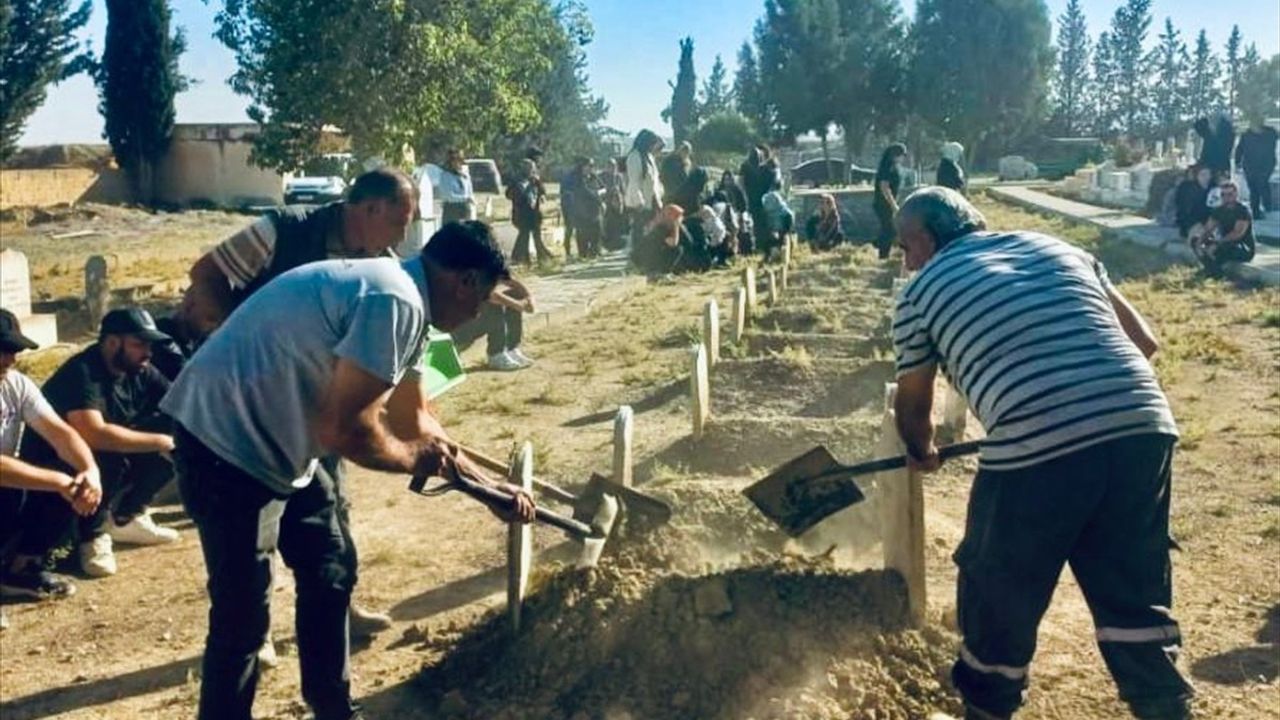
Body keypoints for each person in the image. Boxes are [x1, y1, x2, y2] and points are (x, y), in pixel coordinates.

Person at [162, 221, 537, 720]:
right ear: (463, 281)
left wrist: (488, 490)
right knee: (243, 615)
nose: (478, 313)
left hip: (284, 443)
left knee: (331, 568)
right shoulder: (394, 301)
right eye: (483, 297)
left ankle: (333, 708)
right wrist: (411, 460)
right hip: (224, 442)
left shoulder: (406, 298)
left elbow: (415, 420)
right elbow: (349, 432)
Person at [892, 187, 1192, 720]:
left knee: (996, 582)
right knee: (1132, 585)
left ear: (924, 239)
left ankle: (987, 707)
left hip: (1036, 445)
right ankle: (1164, 706)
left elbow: (914, 405)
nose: (905, 259)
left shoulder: (920, 291)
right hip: (1142, 424)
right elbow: (1144, 343)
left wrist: (923, 450)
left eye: (904, 247)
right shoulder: (1060, 248)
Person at [181, 167, 418, 639]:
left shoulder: (381, 264)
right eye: (400, 220)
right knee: (248, 523)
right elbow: (206, 273)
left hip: (314, 402)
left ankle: (337, 605)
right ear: (370, 209)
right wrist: (231, 333)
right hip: (246, 398)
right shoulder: (282, 231)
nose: (403, 234)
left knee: (331, 505)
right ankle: (255, 629)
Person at [19, 308, 177, 579]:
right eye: (139, 344)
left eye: (149, 346)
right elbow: (92, 433)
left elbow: (181, 400)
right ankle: (92, 536)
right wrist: (163, 441)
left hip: (98, 461)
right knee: (109, 453)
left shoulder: (140, 369)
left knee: (181, 430)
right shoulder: (83, 372)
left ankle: (127, 517)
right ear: (113, 342)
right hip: (56, 468)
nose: (147, 353)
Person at [0, 310, 102, 611]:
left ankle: (21, 568)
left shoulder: (15, 384)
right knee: (45, 481)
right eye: (3, 351)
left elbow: (60, 433)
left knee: (71, 474)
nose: (11, 359)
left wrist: (89, 471)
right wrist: (58, 481)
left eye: (14, 351)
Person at [451, 265, 537, 372]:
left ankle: (511, 348)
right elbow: (489, 294)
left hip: (468, 321)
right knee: (492, 304)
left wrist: (528, 298)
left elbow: (510, 281)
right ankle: (496, 354)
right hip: (453, 332)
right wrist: (518, 305)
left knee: (515, 294)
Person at [1192, 180, 1256, 277]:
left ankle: (1213, 270)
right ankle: (1212, 269)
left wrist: (1218, 243)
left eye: (1230, 194)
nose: (1226, 198)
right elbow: (1208, 229)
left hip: (1242, 247)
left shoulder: (1243, 211)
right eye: (1223, 195)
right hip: (1224, 242)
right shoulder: (1218, 210)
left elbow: (1237, 233)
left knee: (1224, 246)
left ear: (1236, 194)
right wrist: (1200, 242)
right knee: (1195, 240)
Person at [625, 129, 665, 260]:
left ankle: (650, 257)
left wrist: (659, 196)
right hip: (641, 202)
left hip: (653, 200)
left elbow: (655, 179)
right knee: (640, 231)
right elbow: (634, 181)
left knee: (653, 230)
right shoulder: (634, 157)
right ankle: (637, 258)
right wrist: (639, 201)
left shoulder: (649, 157)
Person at [507, 159, 552, 265]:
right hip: (522, 214)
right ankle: (523, 260)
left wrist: (540, 191)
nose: (531, 170)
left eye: (532, 168)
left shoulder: (535, 180)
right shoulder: (517, 180)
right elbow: (509, 194)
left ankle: (542, 258)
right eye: (529, 168)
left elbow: (542, 191)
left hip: (534, 214)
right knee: (524, 237)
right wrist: (519, 194)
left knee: (537, 237)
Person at [741, 145, 782, 255]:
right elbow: (776, 184)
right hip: (762, 203)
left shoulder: (748, 168)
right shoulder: (767, 169)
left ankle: (764, 248)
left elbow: (742, 183)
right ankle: (765, 249)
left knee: (761, 227)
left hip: (757, 203)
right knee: (764, 227)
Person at [1234, 119, 1278, 219]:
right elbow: (1239, 149)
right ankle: (1256, 212)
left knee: (1262, 184)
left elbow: (1276, 136)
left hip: (1265, 166)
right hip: (1250, 166)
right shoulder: (1246, 135)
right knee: (1254, 189)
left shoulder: (1270, 133)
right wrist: (1237, 162)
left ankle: (1267, 207)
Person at [565, 156, 605, 259]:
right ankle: (583, 254)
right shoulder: (577, 179)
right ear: (583, 166)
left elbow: (604, 188)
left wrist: (599, 193)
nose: (591, 168)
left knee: (596, 232)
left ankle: (594, 253)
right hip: (582, 211)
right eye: (589, 165)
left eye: (592, 166)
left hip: (594, 210)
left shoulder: (594, 177)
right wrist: (597, 194)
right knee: (583, 235)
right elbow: (585, 192)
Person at [872, 143, 907, 260]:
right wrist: (893, 205)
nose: (903, 158)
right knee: (889, 230)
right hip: (883, 204)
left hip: (885, 203)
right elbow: (884, 187)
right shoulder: (888, 167)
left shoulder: (893, 167)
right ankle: (882, 255)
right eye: (902, 155)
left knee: (888, 229)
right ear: (895, 155)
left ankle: (880, 249)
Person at [1173, 165, 1213, 240]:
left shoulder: (1212, 188)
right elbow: (1185, 210)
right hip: (1191, 222)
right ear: (1196, 176)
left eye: (1208, 174)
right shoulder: (1189, 190)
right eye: (1203, 175)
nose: (1206, 177)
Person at [438, 148, 476, 225]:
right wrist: (465, 198)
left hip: (465, 210)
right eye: (454, 160)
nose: (457, 163)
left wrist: (471, 199)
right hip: (452, 210)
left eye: (459, 160)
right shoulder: (445, 176)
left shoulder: (465, 176)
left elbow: (470, 192)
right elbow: (448, 196)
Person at [1194, 115, 1234, 179]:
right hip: (1223, 168)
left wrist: (1199, 164)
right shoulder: (1214, 137)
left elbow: (1206, 156)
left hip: (1216, 170)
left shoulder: (1210, 139)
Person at [601, 157, 629, 251]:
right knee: (607, 225)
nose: (612, 168)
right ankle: (607, 244)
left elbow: (623, 190)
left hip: (617, 204)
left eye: (613, 166)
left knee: (617, 225)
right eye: (610, 166)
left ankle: (617, 244)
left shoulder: (618, 177)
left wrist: (623, 202)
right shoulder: (602, 176)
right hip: (607, 204)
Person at [660, 141, 693, 206]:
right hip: (672, 195)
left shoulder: (685, 162)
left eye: (687, 152)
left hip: (678, 195)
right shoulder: (671, 162)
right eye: (684, 150)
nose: (686, 153)